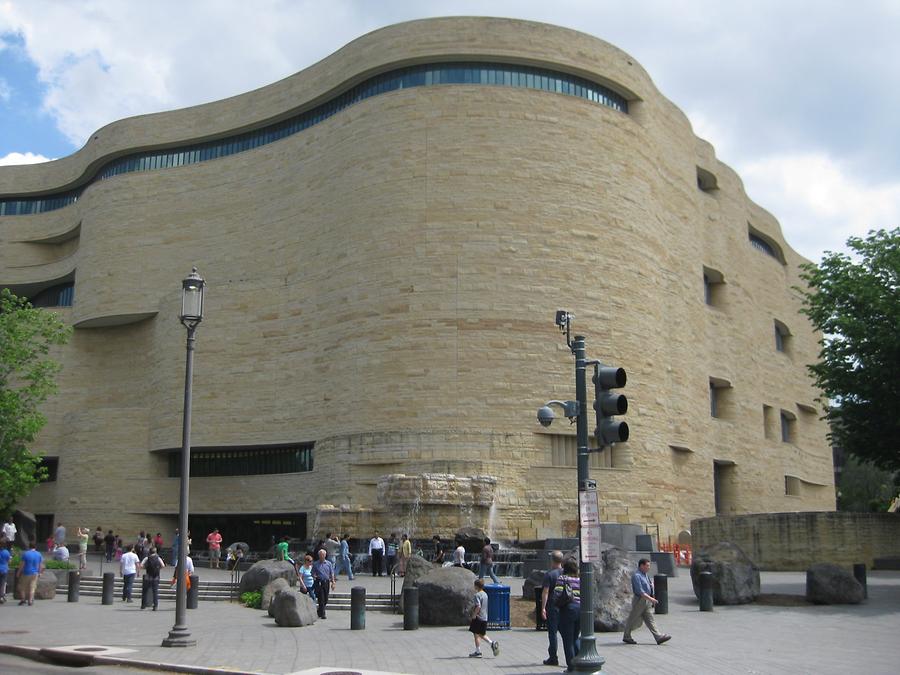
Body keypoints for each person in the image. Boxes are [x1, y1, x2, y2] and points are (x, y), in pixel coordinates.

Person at [623, 558, 671, 645]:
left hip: (647, 601)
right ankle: (626, 636)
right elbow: (640, 591)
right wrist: (651, 599)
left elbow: (649, 586)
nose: (649, 567)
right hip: (640, 600)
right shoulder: (636, 576)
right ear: (641, 565)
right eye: (647, 565)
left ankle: (658, 636)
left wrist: (651, 588)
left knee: (650, 619)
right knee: (633, 618)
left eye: (649, 566)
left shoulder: (645, 575)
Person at [553, 558, 581, 672]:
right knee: (575, 638)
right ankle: (580, 663)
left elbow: (557, 593)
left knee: (568, 640)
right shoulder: (580, 579)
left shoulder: (562, 578)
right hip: (580, 610)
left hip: (568, 610)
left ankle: (571, 667)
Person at [541, 550, 564, 666]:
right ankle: (573, 655)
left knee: (553, 633)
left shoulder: (549, 574)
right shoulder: (566, 573)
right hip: (565, 606)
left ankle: (553, 657)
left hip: (553, 606)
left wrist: (543, 608)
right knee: (567, 633)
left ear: (552, 560)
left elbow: (545, 592)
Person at [468, 578, 500, 658]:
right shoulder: (485, 594)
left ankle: (478, 652)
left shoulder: (477, 595)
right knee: (482, 634)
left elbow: (478, 606)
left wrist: (474, 615)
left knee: (476, 634)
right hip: (485, 617)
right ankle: (492, 643)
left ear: (476, 586)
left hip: (478, 617)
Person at [311, 548, 336, 619]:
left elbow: (332, 573)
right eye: (320, 555)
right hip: (319, 582)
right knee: (321, 598)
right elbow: (312, 573)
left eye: (323, 555)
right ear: (319, 556)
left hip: (326, 582)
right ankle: (323, 614)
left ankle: (319, 611)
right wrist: (314, 576)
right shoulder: (315, 564)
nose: (321, 556)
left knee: (325, 599)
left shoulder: (329, 563)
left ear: (325, 555)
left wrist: (333, 582)